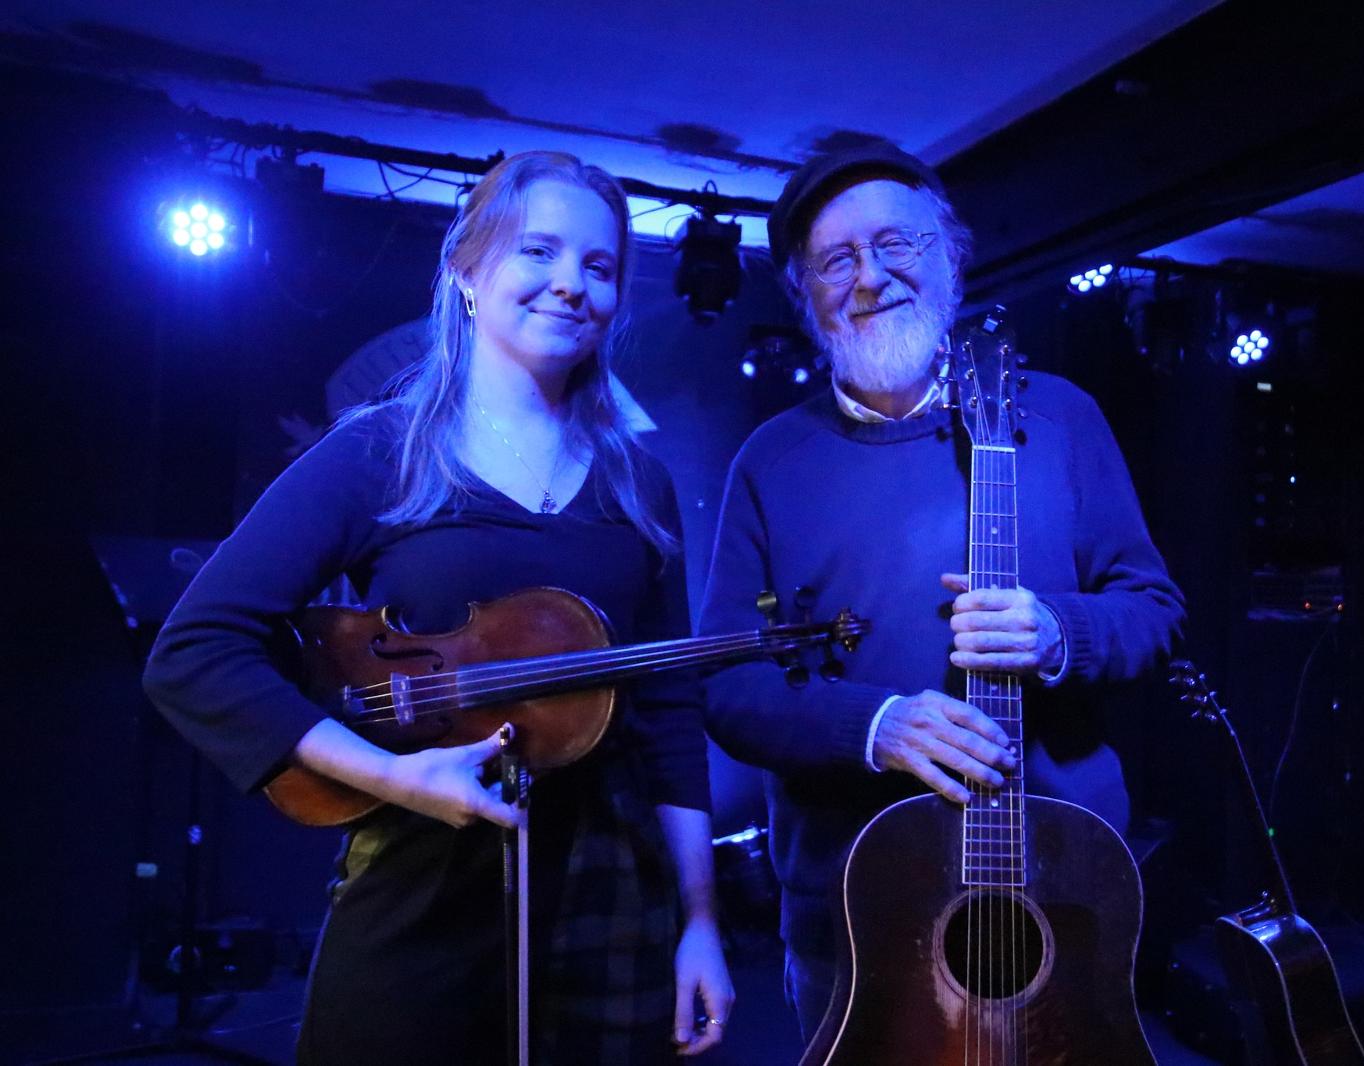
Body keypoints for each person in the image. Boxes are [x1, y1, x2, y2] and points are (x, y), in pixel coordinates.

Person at [143, 151, 733, 1064]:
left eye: (599, 265)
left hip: (609, 892)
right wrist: (398, 779)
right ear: (467, 269)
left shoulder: (639, 482)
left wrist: (700, 923)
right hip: (420, 881)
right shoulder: (382, 451)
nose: (570, 284)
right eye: (537, 251)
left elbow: (668, 712)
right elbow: (197, 650)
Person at [697, 142, 1185, 1041]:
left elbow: (1153, 610)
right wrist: (875, 726)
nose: (870, 276)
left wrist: (1059, 632)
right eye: (836, 260)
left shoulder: (1061, 416)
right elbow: (727, 684)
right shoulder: (770, 460)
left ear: (951, 255)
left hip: (1060, 893)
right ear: (804, 294)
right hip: (853, 914)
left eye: (897, 244)